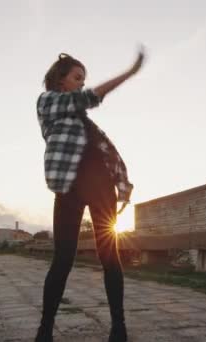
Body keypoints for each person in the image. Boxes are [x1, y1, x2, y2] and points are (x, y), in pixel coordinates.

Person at [35, 48, 144, 342]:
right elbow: (90, 98)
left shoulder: (86, 123)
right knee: (63, 258)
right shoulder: (48, 102)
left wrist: (121, 185)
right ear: (61, 80)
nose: (82, 83)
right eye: (78, 77)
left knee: (110, 255)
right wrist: (129, 73)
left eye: (84, 79)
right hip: (69, 186)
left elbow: (108, 154)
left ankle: (118, 327)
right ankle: (45, 329)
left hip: (100, 186)